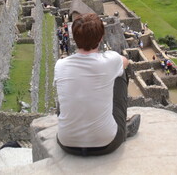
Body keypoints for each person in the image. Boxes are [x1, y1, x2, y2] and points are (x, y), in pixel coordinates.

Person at [54, 13, 140, 156]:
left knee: (67, 88)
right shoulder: (109, 60)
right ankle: (123, 127)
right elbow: (125, 61)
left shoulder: (60, 65)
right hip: (107, 143)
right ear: (101, 38)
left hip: (67, 144)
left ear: (74, 38)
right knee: (121, 73)